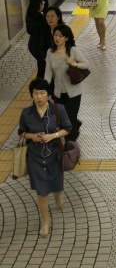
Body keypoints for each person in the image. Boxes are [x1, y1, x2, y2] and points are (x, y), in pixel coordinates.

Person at [17, 79, 72, 238]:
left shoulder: (58, 109)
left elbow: (68, 128)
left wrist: (53, 135)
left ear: (48, 94)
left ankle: (57, 194)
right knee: (41, 191)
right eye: (35, 93)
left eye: (42, 93)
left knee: (55, 185)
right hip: (35, 157)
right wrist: (32, 136)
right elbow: (21, 131)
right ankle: (45, 222)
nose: (39, 96)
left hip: (54, 155)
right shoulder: (26, 113)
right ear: (32, 95)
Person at [44, 24, 88, 142]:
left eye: (60, 36)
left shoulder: (73, 51)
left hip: (74, 92)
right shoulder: (50, 52)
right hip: (58, 93)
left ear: (67, 38)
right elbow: (48, 73)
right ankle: (71, 136)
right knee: (63, 120)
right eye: (55, 35)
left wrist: (74, 64)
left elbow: (87, 64)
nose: (57, 38)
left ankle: (71, 144)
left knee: (70, 118)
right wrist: (43, 90)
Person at [26, 0, 47, 78]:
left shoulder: (30, 13)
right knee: (43, 67)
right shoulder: (39, 17)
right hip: (38, 46)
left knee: (42, 65)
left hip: (33, 44)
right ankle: (39, 86)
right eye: (43, 2)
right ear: (40, 4)